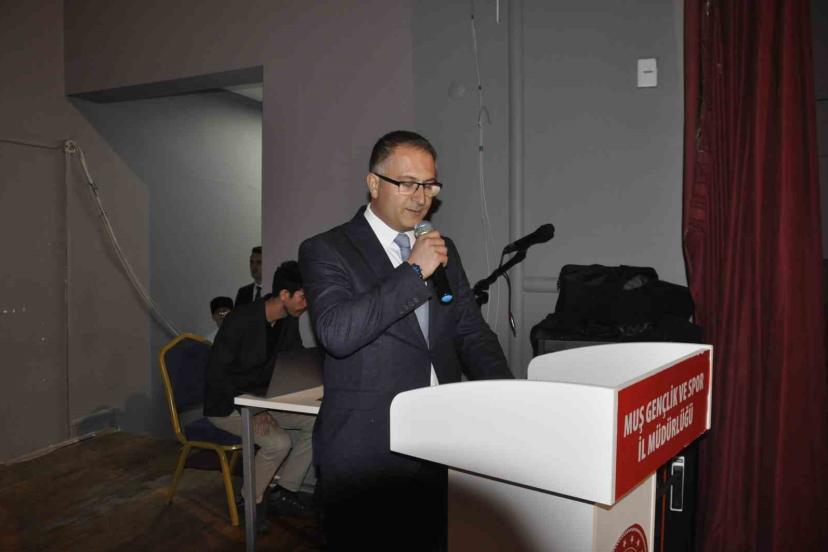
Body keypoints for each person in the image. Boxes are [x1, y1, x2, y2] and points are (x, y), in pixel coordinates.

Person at [298, 130, 513, 551]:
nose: (421, 197)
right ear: (374, 183)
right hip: (368, 456)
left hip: (440, 445)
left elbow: (470, 332)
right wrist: (413, 272)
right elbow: (337, 333)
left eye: (429, 185)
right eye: (408, 183)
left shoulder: (441, 248)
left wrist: (510, 398)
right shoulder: (327, 249)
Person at [204, 260, 315, 531]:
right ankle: (249, 501)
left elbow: (293, 364)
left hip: (262, 401)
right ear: (284, 294)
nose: (307, 304)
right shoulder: (240, 320)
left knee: (318, 422)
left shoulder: (288, 322)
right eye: (303, 297)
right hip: (227, 404)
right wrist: (254, 409)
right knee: (278, 443)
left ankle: (284, 491)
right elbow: (218, 375)